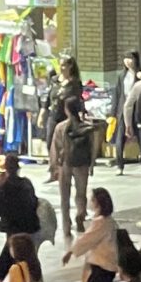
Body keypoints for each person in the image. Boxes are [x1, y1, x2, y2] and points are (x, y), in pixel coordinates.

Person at [62, 185, 121, 282]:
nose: (90, 202)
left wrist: (70, 252)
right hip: (106, 266)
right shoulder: (108, 221)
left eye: (92, 199)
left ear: (97, 202)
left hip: (103, 266)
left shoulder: (101, 222)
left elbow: (87, 240)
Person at [48, 93, 97, 239]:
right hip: (82, 164)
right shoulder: (87, 128)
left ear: (67, 110)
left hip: (65, 164)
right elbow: (93, 147)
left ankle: (66, 227)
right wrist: (92, 164)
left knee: (64, 197)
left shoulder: (60, 127)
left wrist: (54, 167)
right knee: (81, 195)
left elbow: (54, 149)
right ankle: (80, 216)